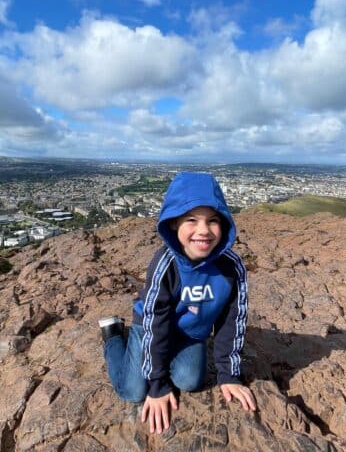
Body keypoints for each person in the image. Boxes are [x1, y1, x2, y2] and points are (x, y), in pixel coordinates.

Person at [99, 171, 256, 434]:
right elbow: (156, 323)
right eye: (191, 220)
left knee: (190, 380)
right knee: (134, 391)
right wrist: (157, 384)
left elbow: (232, 320)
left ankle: (153, 359)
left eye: (213, 220)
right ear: (174, 223)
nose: (203, 231)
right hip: (149, 328)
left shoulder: (231, 267)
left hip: (191, 334)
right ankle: (113, 336)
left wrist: (229, 375)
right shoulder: (166, 265)